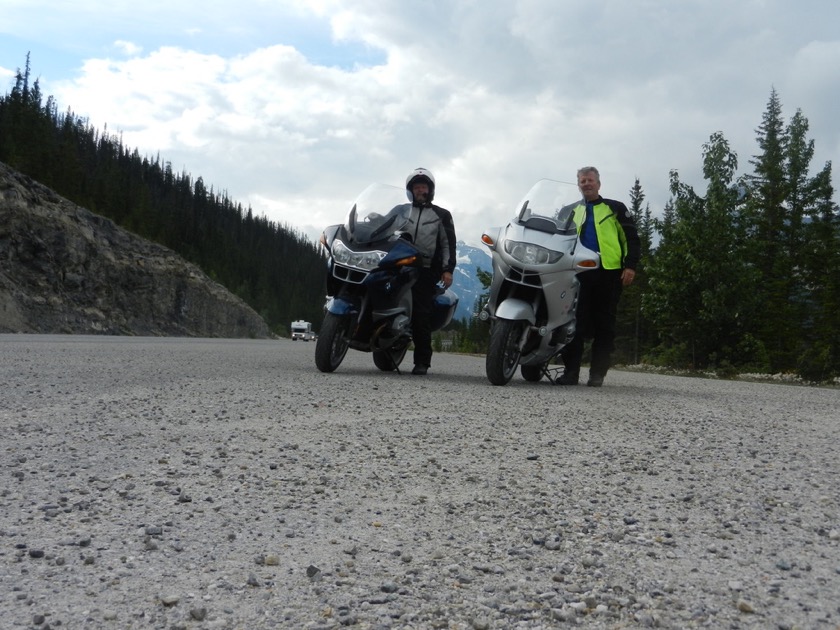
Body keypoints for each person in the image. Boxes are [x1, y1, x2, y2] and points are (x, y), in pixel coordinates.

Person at [557, 166, 640, 387]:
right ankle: (571, 373)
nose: (586, 184)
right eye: (582, 181)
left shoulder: (616, 208)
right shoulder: (568, 211)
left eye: (590, 180)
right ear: (578, 185)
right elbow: (557, 238)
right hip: (576, 272)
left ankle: (597, 375)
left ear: (598, 183)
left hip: (609, 273)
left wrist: (630, 266)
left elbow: (631, 238)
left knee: (605, 325)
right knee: (572, 322)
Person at [404, 168, 457, 375]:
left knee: (420, 313)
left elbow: (447, 245)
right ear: (411, 190)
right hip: (400, 265)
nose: (420, 190)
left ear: (430, 189)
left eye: (423, 186)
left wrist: (447, 270)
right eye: (416, 187)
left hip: (425, 270)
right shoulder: (402, 212)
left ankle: (422, 362)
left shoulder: (441, 215)